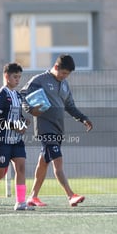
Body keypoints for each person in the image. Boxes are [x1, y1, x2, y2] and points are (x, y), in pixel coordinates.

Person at [20, 54, 93, 207]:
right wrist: (31, 110)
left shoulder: (65, 84)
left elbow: (70, 106)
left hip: (58, 128)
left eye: (67, 74)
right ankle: (71, 195)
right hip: (45, 128)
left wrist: (83, 118)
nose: (65, 76)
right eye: (63, 73)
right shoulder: (39, 80)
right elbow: (23, 95)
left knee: (43, 162)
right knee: (57, 162)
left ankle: (32, 197)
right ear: (56, 67)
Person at [0, 63, 34, 211]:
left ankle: (21, 202)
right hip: (3, 141)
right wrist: (14, 126)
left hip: (16, 140)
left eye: (19, 77)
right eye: (15, 77)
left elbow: (19, 116)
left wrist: (24, 123)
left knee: (21, 168)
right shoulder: (2, 94)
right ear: (6, 76)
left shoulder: (17, 95)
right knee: (0, 172)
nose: (18, 80)